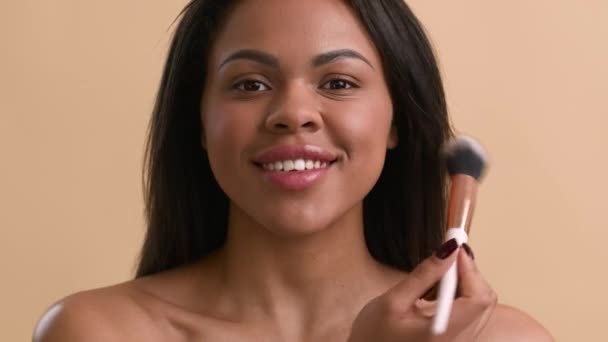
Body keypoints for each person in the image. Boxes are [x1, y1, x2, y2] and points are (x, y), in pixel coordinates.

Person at [33, 0, 554, 341]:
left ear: (398, 119)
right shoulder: (97, 331)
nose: (293, 113)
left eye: (339, 83)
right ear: (198, 120)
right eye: (250, 84)